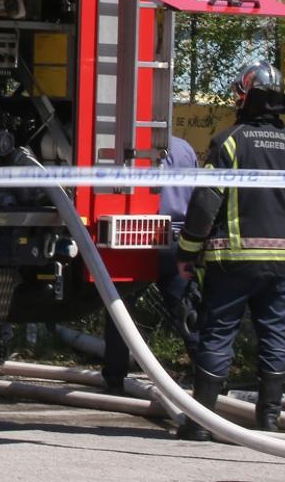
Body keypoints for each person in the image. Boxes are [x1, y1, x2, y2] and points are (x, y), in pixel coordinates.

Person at [174, 62, 285, 439]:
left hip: (233, 263)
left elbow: (205, 205)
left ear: (245, 96)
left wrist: (187, 253)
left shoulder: (228, 142)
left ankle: (200, 425)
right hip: (284, 263)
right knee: (275, 337)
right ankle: (268, 421)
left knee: (217, 335)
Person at [101, 132, 200, 392]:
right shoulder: (185, 149)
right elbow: (197, 196)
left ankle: (115, 378)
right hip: (177, 240)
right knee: (186, 308)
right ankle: (208, 375)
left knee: (120, 307)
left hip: (138, 237)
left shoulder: (131, 146)